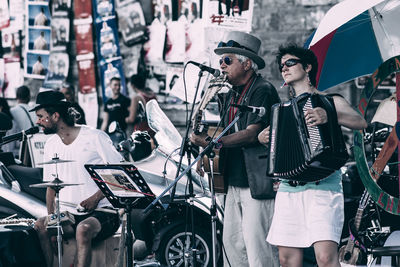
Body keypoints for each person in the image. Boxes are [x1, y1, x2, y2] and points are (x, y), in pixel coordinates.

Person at [259, 44, 368, 267]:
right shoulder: (281, 111)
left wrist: (329, 114)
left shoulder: (330, 101)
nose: (284, 68)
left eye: (290, 63)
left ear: (307, 67)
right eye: (281, 66)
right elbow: (283, 152)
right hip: (290, 189)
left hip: (323, 187)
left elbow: (360, 122)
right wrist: (265, 139)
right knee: (287, 260)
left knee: (326, 258)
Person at [190, 31, 280, 266]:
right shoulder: (229, 94)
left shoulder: (263, 89)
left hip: (256, 182)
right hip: (231, 179)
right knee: (232, 245)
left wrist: (213, 143)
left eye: (227, 60)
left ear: (247, 63)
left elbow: (251, 134)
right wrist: (206, 151)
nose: (221, 65)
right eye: (220, 61)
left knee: (257, 246)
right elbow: (225, 131)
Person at [33, 90, 123, 267]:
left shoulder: (95, 137)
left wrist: (95, 198)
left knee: (83, 230)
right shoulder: (51, 144)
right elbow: (51, 188)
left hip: (104, 213)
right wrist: (52, 221)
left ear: (56, 116)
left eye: (41, 116)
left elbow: (119, 174)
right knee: (40, 226)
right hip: (70, 215)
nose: (38, 121)